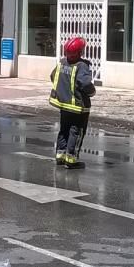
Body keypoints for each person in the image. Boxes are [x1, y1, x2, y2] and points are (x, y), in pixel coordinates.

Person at [49, 37, 96, 169]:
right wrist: (92, 93)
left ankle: (60, 155)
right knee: (77, 131)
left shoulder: (62, 63)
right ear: (80, 52)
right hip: (77, 107)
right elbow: (85, 83)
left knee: (64, 130)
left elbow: (53, 77)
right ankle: (71, 159)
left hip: (64, 104)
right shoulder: (82, 66)